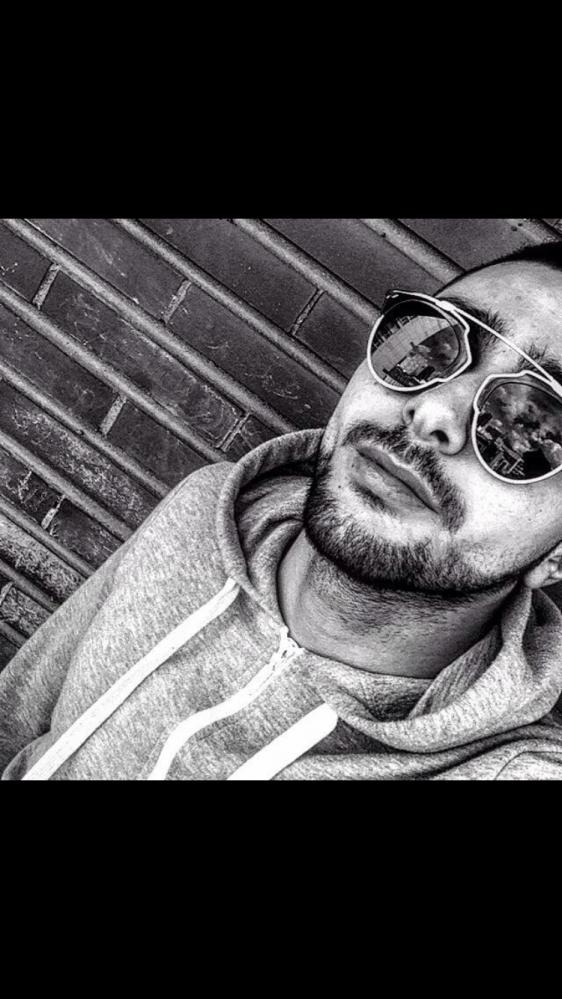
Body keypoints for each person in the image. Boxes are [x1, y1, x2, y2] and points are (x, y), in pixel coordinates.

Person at [2, 241, 562, 781]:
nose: (433, 410)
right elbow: (18, 715)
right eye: (433, 343)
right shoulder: (207, 511)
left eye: (534, 424)